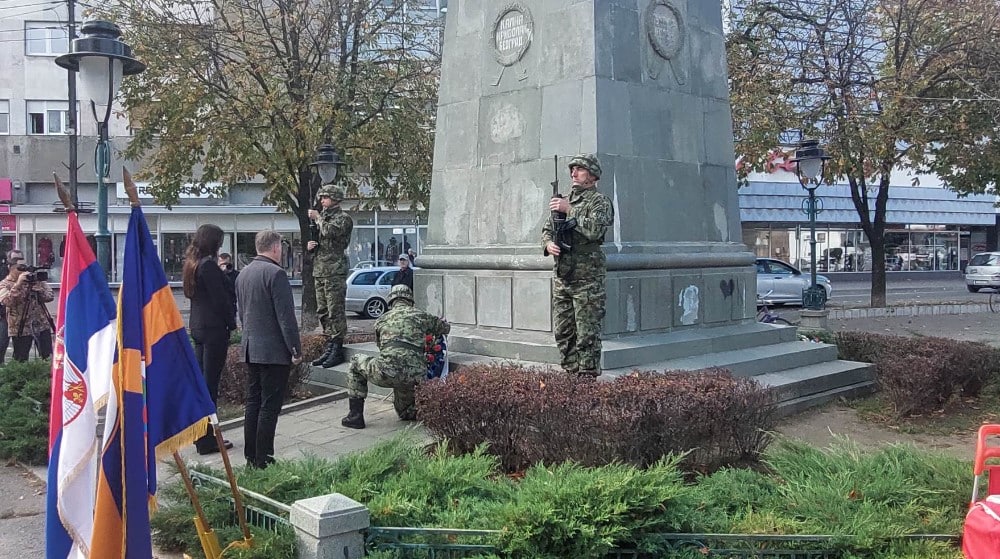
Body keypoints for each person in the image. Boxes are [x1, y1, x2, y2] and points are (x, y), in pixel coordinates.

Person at [540, 154, 615, 379]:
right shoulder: (562, 200)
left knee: (587, 335)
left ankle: (587, 381)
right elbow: (547, 229)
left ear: (592, 176)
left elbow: (595, 230)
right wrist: (548, 243)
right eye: (572, 170)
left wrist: (569, 210)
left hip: (587, 280)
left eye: (580, 170)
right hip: (564, 276)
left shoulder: (598, 201)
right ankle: (572, 376)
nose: (573, 173)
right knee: (563, 332)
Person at [235, 230, 302, 469]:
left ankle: (251, 456)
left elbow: (242, 313)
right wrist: (295, 349)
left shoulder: (243, 274)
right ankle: (264, 458)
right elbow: (286, 318)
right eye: (281, 248)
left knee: (253, 403)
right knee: (269, 406)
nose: (281, 252)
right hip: (274, 352)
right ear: (275, 248)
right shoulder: (276, 274)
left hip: (250, 349)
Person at [341, 285, 449, 429]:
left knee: (355, 361)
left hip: (387, 372)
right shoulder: (421, 315)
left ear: (391, 301)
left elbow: (380, 347)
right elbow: (445, 328)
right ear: (410, 300)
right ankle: (431, 413)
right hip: (415, 376)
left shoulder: (381, 319)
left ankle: (355, 416)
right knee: (405, 413)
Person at [183, 225, 237, 455]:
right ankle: (207, 439)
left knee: (202, 383)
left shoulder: (192, 264)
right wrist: (232, 324)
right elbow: (221, 301)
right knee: (210, 385)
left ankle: (201, 435)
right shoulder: (208, 266)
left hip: (198, 326)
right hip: (214, 328)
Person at [306, 184, 354, 368]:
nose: (322, 200)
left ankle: (337, 348)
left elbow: (330, 232)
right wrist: (311, 246)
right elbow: (320, 238)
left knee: (335, 311)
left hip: (334, 270)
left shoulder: (343, 219)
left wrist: (318, 218)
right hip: (320, 269)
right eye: (322, 197)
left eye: (325, 197)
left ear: (335, 198)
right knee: (323, 311)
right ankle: (329, 344)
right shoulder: (323, 218)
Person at [0, 253, 54, 361]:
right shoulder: (4, 284)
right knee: (21, 359)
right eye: (19, 269)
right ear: (10, 268)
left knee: (48, 357)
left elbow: (50, 296)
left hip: (41, 324)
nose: (23, 272)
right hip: (20, 327)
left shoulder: (34, 279)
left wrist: (40, 290)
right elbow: (6, 301)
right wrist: (18, 284)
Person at [0, 249, 23, 364]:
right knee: (1, 345)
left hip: (21, 316)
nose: (18, 262)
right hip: (4, 315)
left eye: (20, 259)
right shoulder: (3, 272)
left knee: (20, 351)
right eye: (15, 259)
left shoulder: (24, 274)